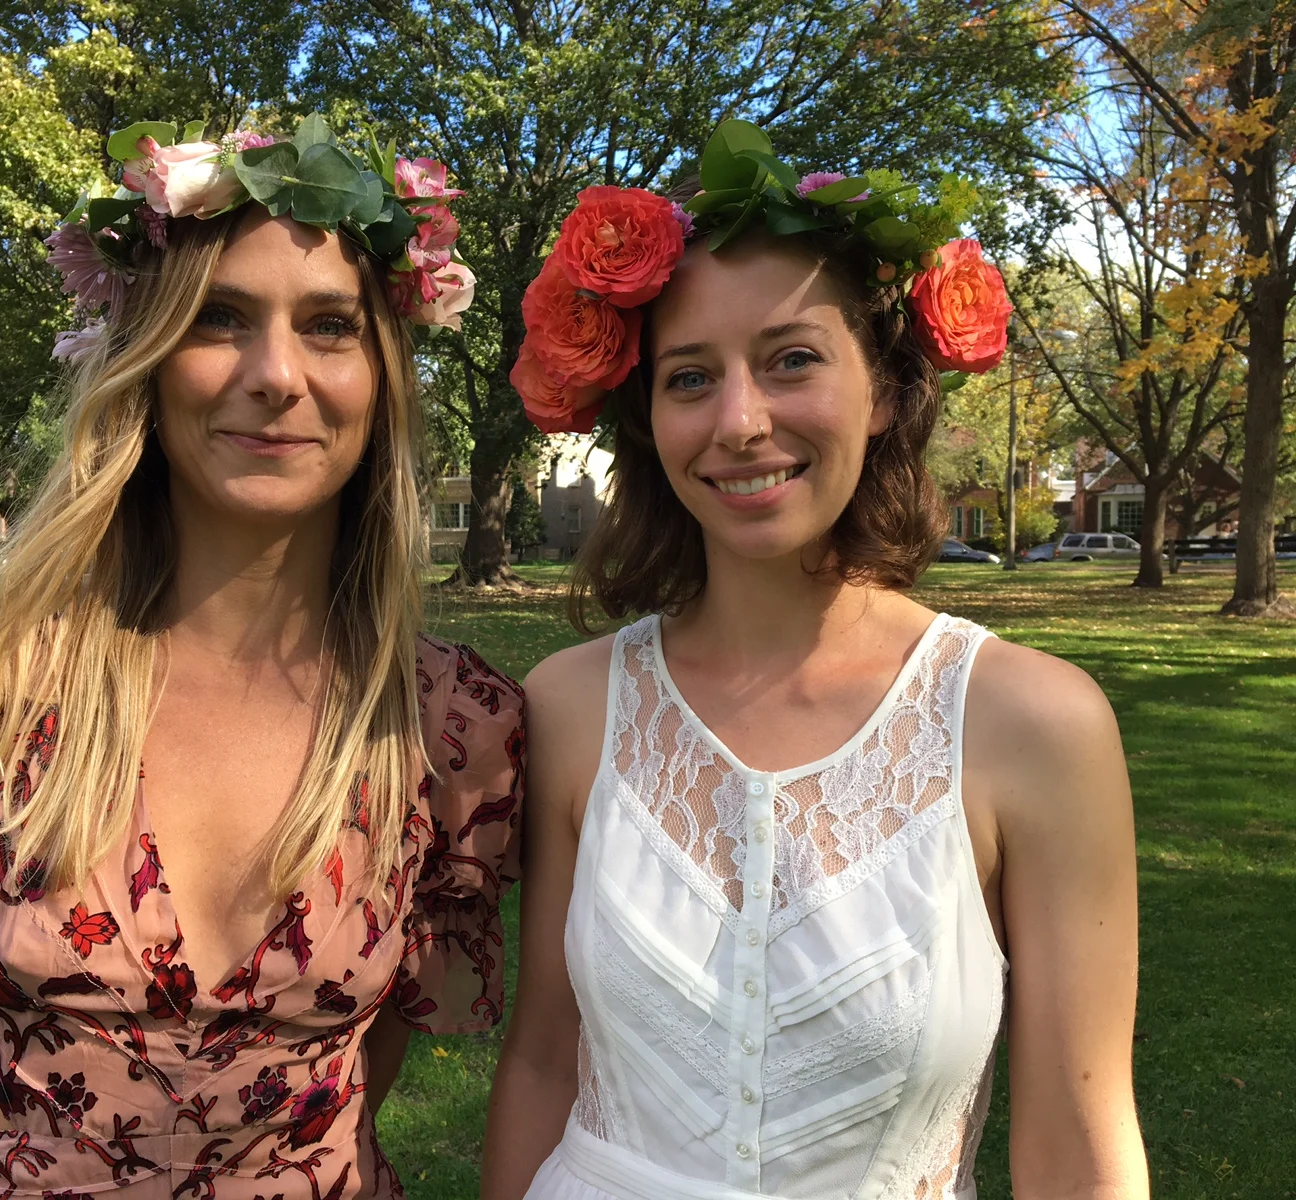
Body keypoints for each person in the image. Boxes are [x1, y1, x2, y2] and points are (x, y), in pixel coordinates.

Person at [0, 115, 520, 1200]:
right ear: (146, 355)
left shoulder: (446, 723)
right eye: (220, 318)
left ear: (383, 379)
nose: (277, 374)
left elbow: (368, 1067)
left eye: (330, 326)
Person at [485, 121, 1147, 1200]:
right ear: (647, 419)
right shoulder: (571, 704)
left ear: (884, 390)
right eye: (690, 377)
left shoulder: (1032, 725)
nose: (740, 422)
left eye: (792, 359)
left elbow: (1079, 1137)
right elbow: (543, 1061)